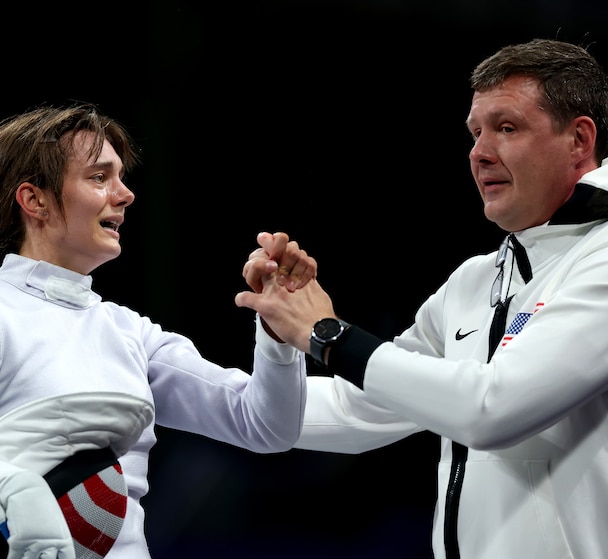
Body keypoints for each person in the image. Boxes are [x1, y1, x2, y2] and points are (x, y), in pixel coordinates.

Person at [0, 102, 316, 559]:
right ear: (34, 200)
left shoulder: (129, 332)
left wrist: (277, 334)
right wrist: (6, 489)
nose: (125, 193)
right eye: (98, 177)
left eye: (121, 177)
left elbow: (265, 426)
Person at [235, 38, 608, 559]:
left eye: (506, 128)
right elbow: (353, 410)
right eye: (475, 133)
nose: (480, 152)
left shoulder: (601, 259)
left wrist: (329, 336)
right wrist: (273, 337)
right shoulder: (475, 281)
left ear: (578, 139)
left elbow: (493, 409)